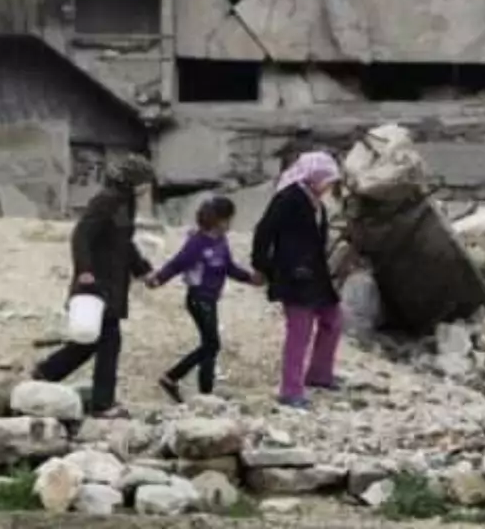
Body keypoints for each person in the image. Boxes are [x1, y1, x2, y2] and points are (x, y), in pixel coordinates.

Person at [34, 156, 156, 418]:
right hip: (97, 283)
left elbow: (124, 242)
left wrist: (142, 270)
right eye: (143, 182)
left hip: (112, 283)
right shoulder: (106, 200)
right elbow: (81, 235)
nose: (145, 188)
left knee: (90, 341)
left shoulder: (124, 203)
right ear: (130, 181)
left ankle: (46, 373)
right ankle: (102, 404)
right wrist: (85, 271)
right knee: (109, 341)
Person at [252, 150, 344, 410]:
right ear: (313, 176)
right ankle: (290, 390)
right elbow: (264, 231)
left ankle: (319, 374)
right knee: (299, 333)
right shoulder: (288, 199)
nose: (329, 186)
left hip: (317, 276)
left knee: (333, 320)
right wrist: (262, 266)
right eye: (326, 179)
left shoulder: (318, 205)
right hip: (294, 276)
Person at [147, 194, 259, 402]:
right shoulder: (198, 242)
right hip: (199, 299)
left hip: (210, 299)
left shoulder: (221, 241)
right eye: (228, 220)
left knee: (209, 344)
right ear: (219, 220)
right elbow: (177, 263)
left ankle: (206, 391)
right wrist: (158, 279)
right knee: (211, 344)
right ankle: (172, 376)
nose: (230, 224)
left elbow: (229, 267)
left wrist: (250, 278)